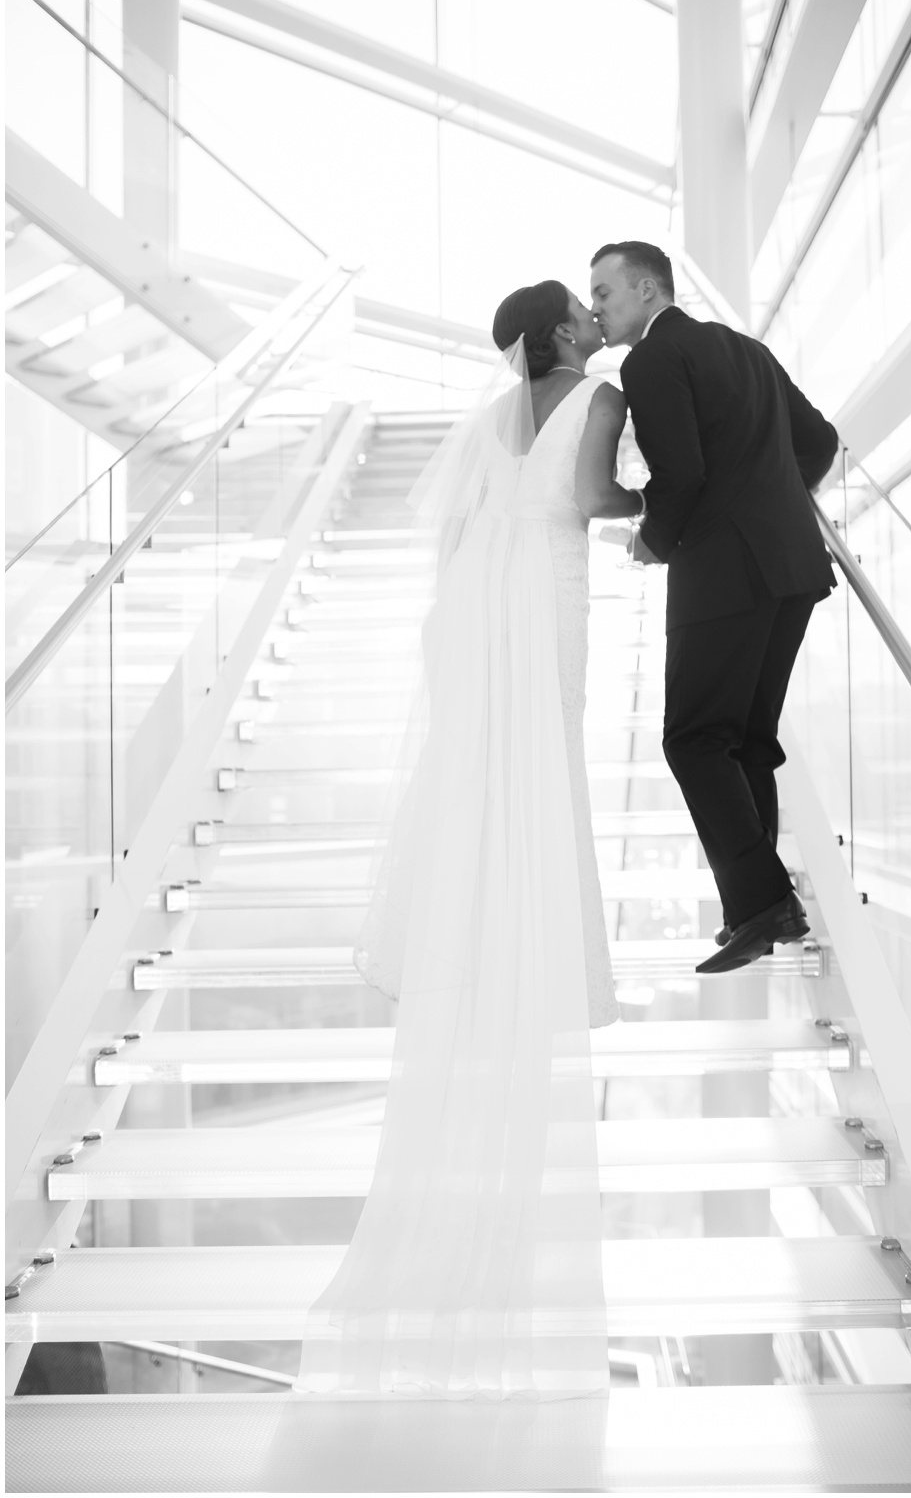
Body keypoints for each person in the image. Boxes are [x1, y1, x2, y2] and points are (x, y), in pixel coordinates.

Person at [292, 281, 640, 1398]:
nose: (595, 324)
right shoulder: (598, 394)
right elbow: (589, 500)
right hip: (540, 593)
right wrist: (671, 501)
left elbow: (460, 524)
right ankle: (525, 920)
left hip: (478, 605)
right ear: (557, 338)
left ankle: (484, 916)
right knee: (545, 762)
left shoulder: (491, 415)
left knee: (491, 770)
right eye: (580, 315)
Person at [589, 240, 840, 973]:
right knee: (743, 740)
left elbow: (682, 474)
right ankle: (755, 910)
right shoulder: (747, 350)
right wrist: (769, 501)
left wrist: (651, 541)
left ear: (644, 288)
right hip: (792, 570)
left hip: (725, 575)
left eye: (604, 293)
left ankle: (764, 903)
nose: (598, 309)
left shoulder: (650, 361)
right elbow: (819, 444)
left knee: (693, 738)